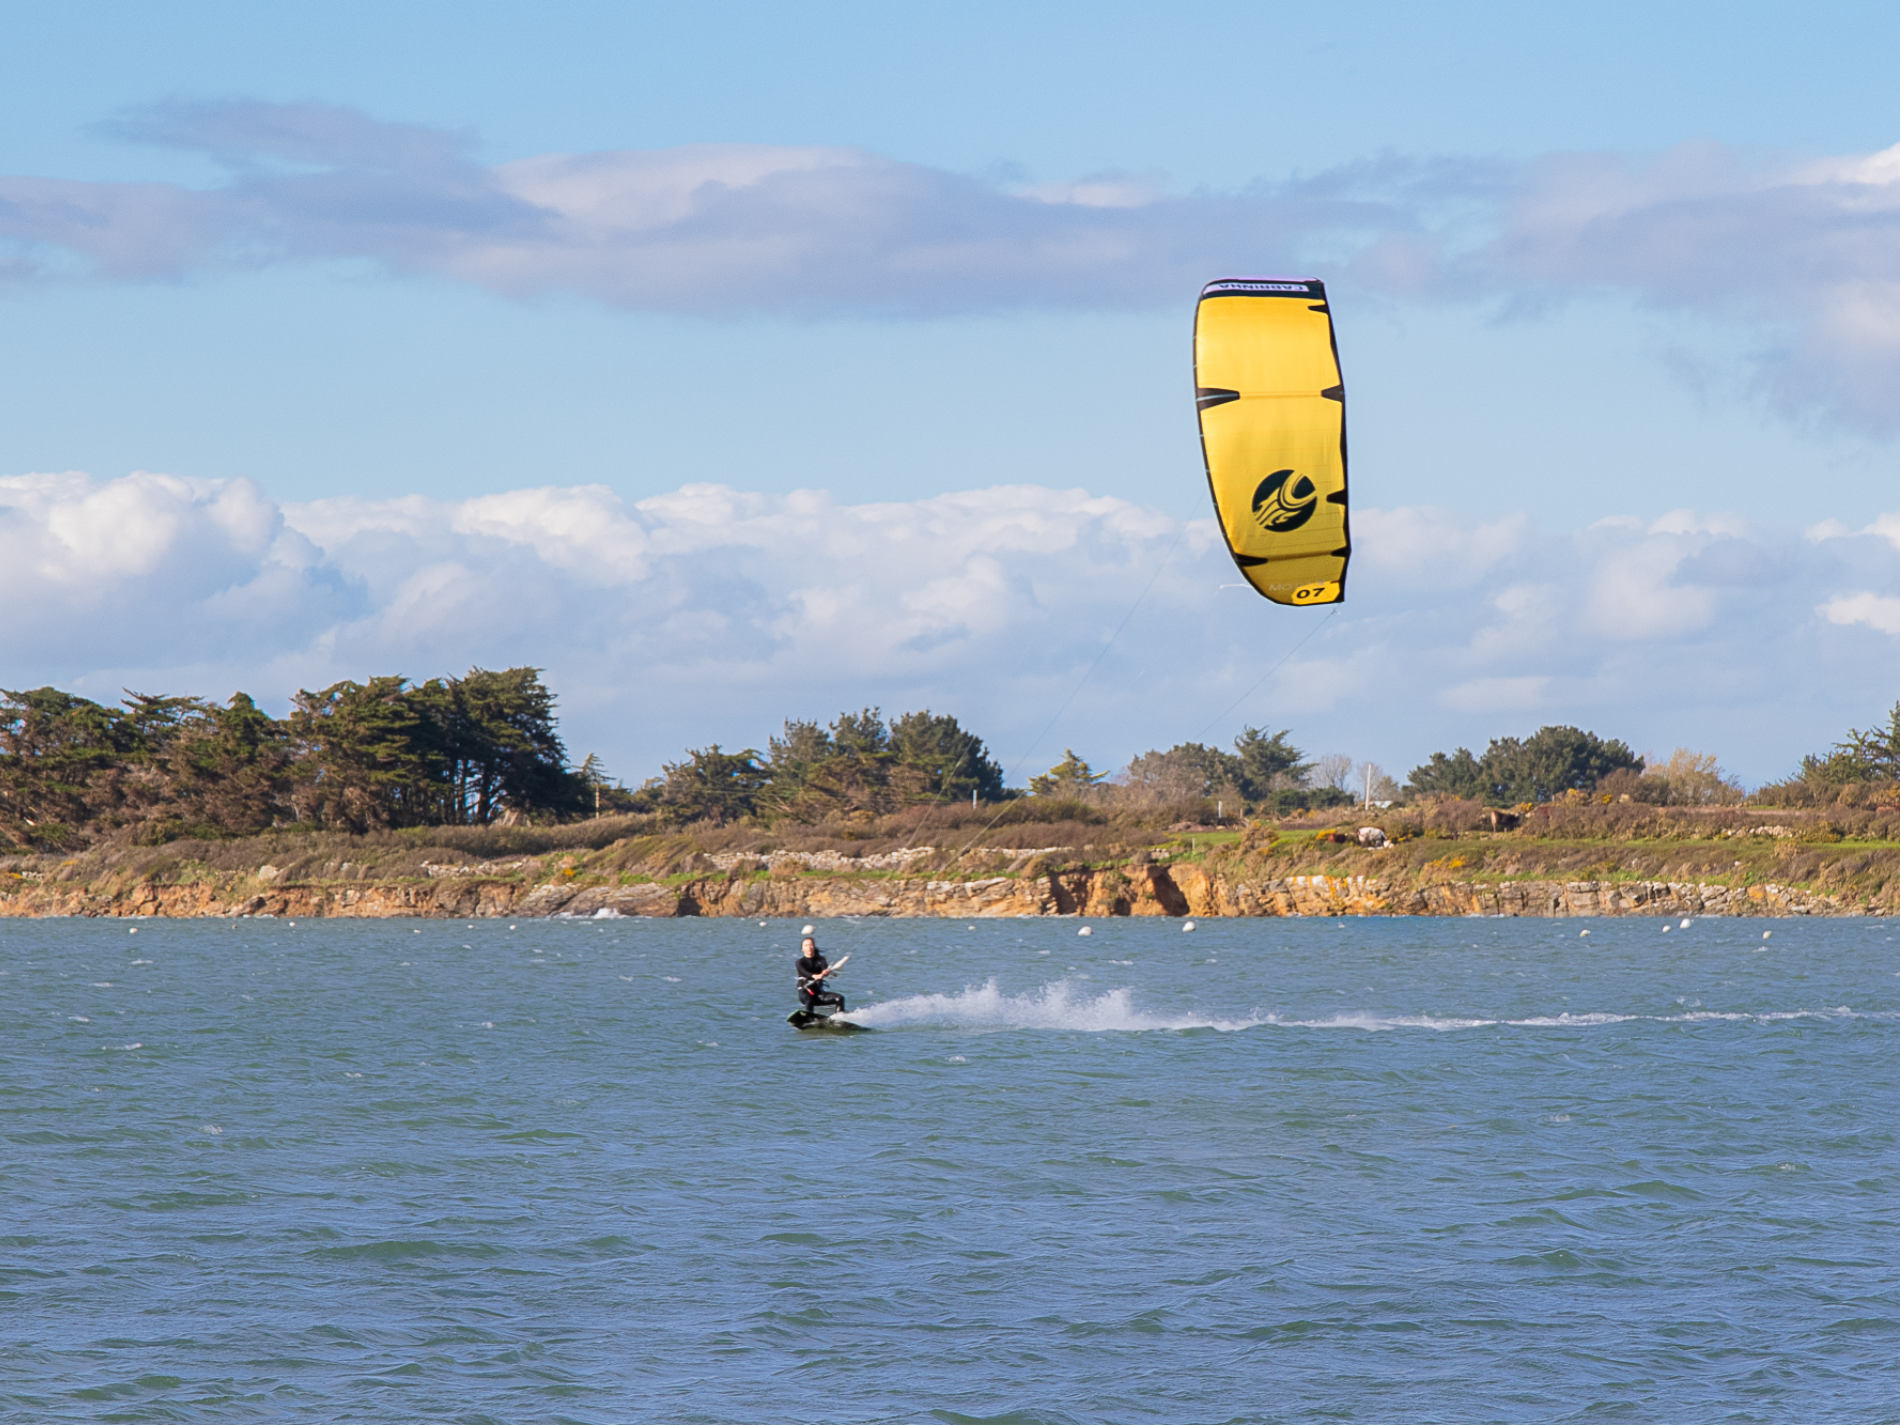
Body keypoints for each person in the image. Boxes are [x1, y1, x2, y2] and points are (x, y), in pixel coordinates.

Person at [795, 935, 845, 1015]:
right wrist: (815, 976)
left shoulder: (821, 960)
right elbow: (805, 973)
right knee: (809, 1000)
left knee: (840, 998)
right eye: (806, 945)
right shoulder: (799, 962)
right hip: (805, 992)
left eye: (811, 945)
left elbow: (824, 968)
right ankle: (809, 1018)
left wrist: (826, 972)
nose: (809, 947)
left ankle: (839, 1019)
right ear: (802, 949)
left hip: (819, 994)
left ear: (814, 947)